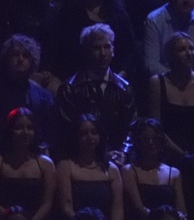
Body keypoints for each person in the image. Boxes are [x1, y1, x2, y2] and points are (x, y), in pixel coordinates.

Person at [56, 24, 137, 158]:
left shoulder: (124, 88)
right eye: (97, 48)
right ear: (86, 51)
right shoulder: (70, 88)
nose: (103, 53)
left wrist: (123, 152)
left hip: (117, 159)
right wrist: (101, 154)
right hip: (81, 159)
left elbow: (130, 127)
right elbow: (68, 131)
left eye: (107, 46)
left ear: (113, 50)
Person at [0, 107, 55, 220]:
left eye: (30, 128)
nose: (25, 133)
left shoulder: (46, 164)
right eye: (19, 127)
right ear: (10, 130)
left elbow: (47, 203)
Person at [44, 0, 136, 80]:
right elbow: (64, 54)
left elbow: (129, 51)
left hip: (115, 78)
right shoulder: (69, 16)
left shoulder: (118, 15)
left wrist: (120, 75)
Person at [0, 34, 56, 154]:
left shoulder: (44, 97)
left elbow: (49, 131)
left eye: (25, 56)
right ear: (7, 59)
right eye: (15, 55)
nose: (20, 59)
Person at [149, 33, 194, 160]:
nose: (189, 53)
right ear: (171, 55)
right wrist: (181, 154)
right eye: (182, 50)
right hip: (167, 153)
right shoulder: (157, 83)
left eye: (191, 48)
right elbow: (156, 126)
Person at [122, 118, 187, 220]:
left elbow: (181, 210)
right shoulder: (129, 170)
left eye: (156, 139)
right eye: (146, 139)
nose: (151, 142)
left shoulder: (174, 173)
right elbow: (139, 209)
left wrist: (177, 219)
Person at [56, 115, 124, 220]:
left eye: (94, 132)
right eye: (84, 133)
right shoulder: (65, 166)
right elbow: (66, 206)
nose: (89, 137)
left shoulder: (112, 169)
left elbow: (118, 208)